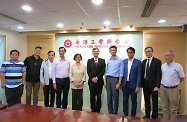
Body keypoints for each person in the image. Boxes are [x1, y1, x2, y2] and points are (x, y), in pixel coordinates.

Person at [160, 50, 185, 120]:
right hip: (163, 88)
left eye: (169, 55)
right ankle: (165, 120)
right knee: (164, 108)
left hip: (173, 89)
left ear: (173, 56)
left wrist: (174, 83)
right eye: (166, 55)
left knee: (173, 109)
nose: (167, 57)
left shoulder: (178, 66)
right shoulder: (162, 66)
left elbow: (182, 78)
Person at [142, 46, 161, 119]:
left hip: (154, 85)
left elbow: (159, 74)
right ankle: (147, 114)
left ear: (152, 52)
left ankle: (154, 115)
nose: (148, 53)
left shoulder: (157, 61)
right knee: (146, 100)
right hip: (145, 84)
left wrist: (157, 85)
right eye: (146, 51)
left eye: (149, 51)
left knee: (154, 100)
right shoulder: (143, 62)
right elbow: (142, 73)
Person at [122, 47, 142, 117]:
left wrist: (138, 86)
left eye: (131, 52)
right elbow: (122, 73)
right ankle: (125, 114)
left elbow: (139, 75)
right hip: (125, 84)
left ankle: (133, 115)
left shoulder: (138, 62)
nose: (129, 54)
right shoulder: (124, 61)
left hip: (133, 85)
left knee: (133, 100)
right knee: (125, 100)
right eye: (128, 52)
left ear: (133, 53)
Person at [105, 45, 123, 114]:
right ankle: (110, 111)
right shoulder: (108, 60)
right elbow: (106, 71)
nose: (113, 51)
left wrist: (119, 83)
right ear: (110, 51)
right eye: (111, 50)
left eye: (114, 50)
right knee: (109, 97)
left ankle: (115, 112)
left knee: (115, 97)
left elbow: (121, 73)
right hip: (108, 79)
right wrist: (105, 81)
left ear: (116, 51)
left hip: (115, 79)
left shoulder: (120, 60)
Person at [87, 48, 106, 113]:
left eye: (97, 51)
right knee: (92, 96)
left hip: (99, 81)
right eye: (94, 51)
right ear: (92, 52)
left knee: (99, 95)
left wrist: (97, 78)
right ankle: (93, 108)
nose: (96, 52)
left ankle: (98, 109)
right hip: (91, 81)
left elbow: (103, 71)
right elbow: (88, 71)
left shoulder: (102, 61)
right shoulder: (89, 61)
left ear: (99, 52)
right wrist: (92, 78)